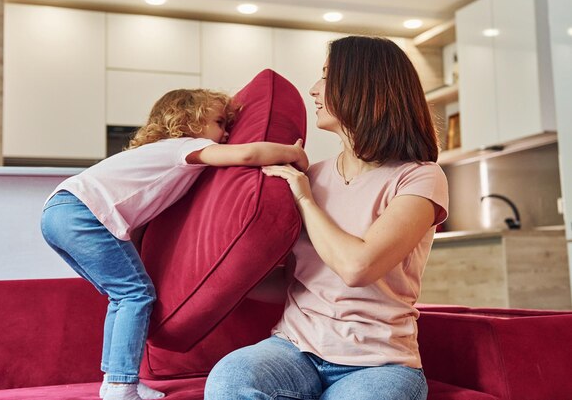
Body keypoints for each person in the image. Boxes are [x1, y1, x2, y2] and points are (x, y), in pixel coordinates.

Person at [204, 36, 449, 400]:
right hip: (293, 350)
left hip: (378, 364)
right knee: (230, 379)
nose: (314, 89)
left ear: (362, 86)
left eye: (326, 77)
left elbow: (358, 268)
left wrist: (304, 199)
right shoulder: (313, 175)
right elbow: (295, 279)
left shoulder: (419, 177)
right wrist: (218, 275)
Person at [40, 89, 309, 400]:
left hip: (58, 211)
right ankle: (119, 386)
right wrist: (293, 154)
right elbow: (246, 155)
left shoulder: (157, 153)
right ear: (189, 119)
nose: (224, 134)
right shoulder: (186, 147)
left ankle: (117, 377)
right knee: (135, 294)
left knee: (123, 296)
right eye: (220, 123)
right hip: (81, 213)